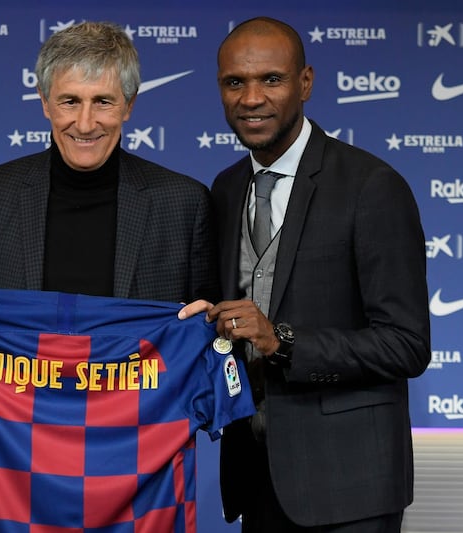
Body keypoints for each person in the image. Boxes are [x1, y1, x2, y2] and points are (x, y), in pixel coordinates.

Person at [178, 17, 431, 532]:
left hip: (351, 484)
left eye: (271, 79)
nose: (251, 98)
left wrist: (283, 340)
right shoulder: (225, 189)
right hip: (256, 478)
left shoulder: (371, 186)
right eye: (235, 83)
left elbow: (406, 344)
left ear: (306, 83)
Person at [0, 21, 218, 304]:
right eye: (70, 102)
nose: (85, 124)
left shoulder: (185, 205)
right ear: (45, 102)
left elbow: (206, 330)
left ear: (129, 105)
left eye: (103, 102)